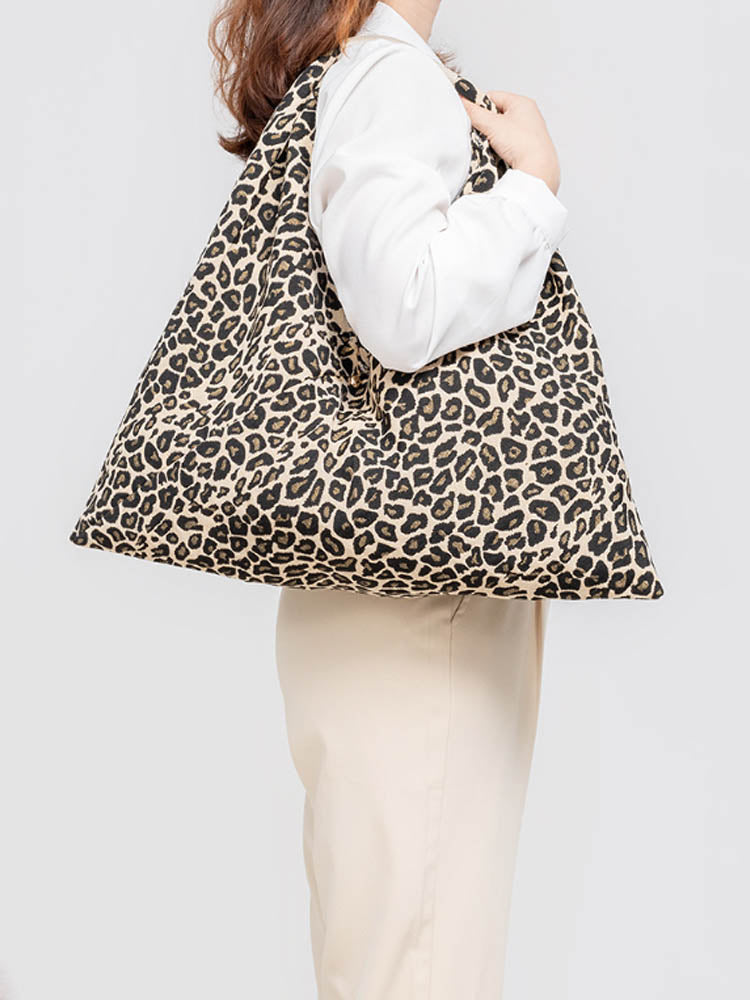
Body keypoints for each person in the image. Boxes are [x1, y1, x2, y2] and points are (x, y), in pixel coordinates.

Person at [210, 1, 569, 996]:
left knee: (396, 956)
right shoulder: (390, 75)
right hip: (417, 606)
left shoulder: (368, 71)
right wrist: (532, 188)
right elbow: (404, 306)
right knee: (419, 964)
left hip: (388, 598)